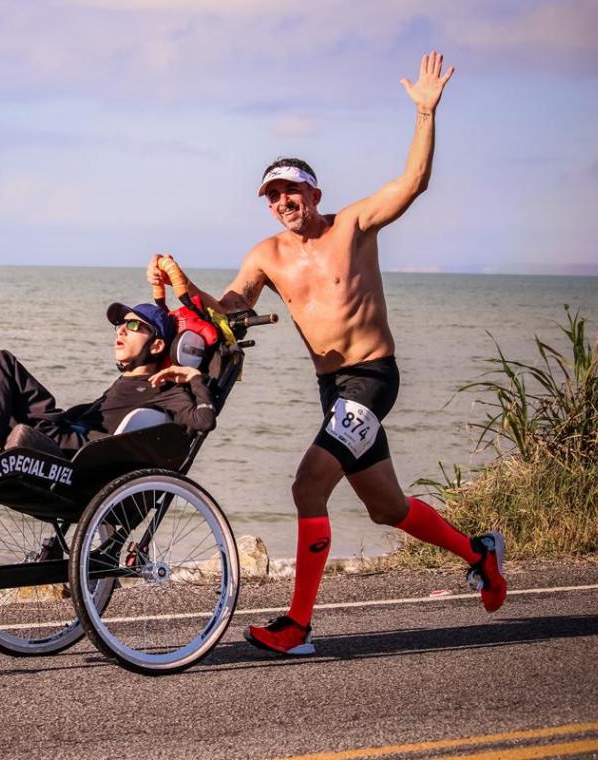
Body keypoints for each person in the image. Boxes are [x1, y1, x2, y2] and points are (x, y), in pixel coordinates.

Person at [146, 51, 506, 656]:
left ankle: (298, 627)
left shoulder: (353, 225)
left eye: (292, 190)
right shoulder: (267, 254)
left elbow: (413, 183)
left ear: (314, 191)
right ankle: (480, 554)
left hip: (372, 378)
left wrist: (424, 113)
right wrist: (181, 284)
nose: (284, 201)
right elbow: (228, 311)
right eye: (273, 195)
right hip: (332, 390)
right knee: (387, 508)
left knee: (308, 487)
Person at [0, 301, 216, 480]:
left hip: (73, 450)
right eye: (120, 325)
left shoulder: (166, 391)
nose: (120, 332)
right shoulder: (127, 379)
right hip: (62, 428)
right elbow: (166, 319)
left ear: (157, 347)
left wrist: (193, 376)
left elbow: (203, 422)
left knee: (2, 361)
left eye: (133, 326)